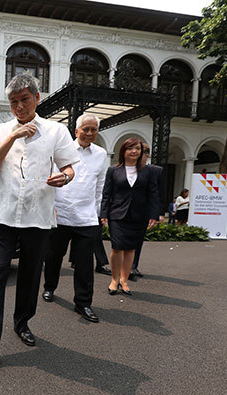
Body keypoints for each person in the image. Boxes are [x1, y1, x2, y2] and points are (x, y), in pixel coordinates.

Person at [0, 72, 80, 360]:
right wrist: (12, 136)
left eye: (24, 100)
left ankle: (22, 323)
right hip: (3, 215)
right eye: (14, 102)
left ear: (37, 98)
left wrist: (65, 178)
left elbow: (69, 167)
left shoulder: (56, 132)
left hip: (38, 215)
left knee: (30, 275)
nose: (19, 107)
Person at [42, 113, 108, 323]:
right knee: (53, 257)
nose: (89, 133)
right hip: (60, 214)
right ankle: (49, 287)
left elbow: (100, 187)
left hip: (86, 218)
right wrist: (50, 208)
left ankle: (83, 303)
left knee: (85, 264)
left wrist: (97, 213)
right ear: (76, 130)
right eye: (85, 129)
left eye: (93, 129)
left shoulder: (101, 154)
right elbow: (50, 180)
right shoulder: (63, 150)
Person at [100, 137, 160, 296]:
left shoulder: (148, 171)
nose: (134, 151)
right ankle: (114, 279)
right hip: (117, 215)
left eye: (138, 149)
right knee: (117, 248)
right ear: (123, 151)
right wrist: (103, 213)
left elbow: (153, 194)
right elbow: (106, 194)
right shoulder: (113, 170)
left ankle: (124, 280)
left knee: (131, 249)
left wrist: (154, 215)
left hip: (139, 215)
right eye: (130, 148)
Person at [130, 142, 165, 280]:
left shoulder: (156, 171)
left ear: (147, 154)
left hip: (144, 212)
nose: (136, 153)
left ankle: (132, 266)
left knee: (138, 241)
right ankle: (124, 267)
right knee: (123, 241)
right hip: (124, 211)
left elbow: (161, 194)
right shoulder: (127, 169)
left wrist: (159, 214)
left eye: (140, 151)